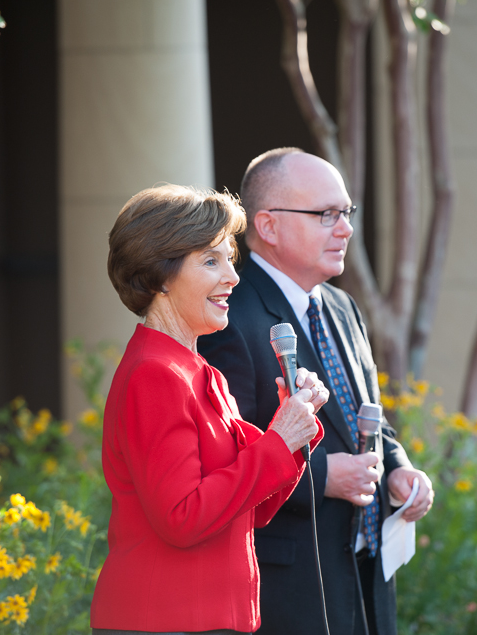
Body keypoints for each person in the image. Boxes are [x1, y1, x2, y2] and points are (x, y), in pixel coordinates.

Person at [198, 149, 434, 635]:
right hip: (290, 586)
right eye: (326, 215)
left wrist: (398, 468)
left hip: (366, 576)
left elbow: (367, 418)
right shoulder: (227, 320)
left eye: (347, 213)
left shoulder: (343, 307)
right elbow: (221, 460)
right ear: (268, 225)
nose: (345, 228)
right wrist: (324, 474)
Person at [90, 185, 328, 635]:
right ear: (160, 275)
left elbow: (247, 509)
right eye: (210, 261)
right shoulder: (155, 374)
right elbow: (183, 517)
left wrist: (294, 431)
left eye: (229, 259)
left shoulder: (198, 372)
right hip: (165, 621)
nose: (233, 277)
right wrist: (278, 441)